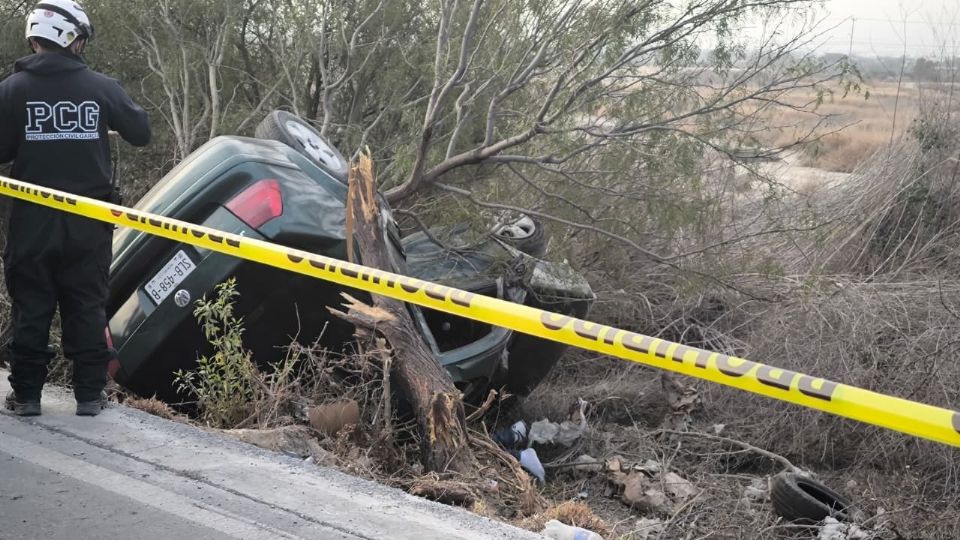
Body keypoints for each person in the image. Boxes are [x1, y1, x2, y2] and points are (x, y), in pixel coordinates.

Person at [0, 0, 151, 417]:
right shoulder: (101, 87)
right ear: (73, 39)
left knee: (31, 304)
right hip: (89, 219)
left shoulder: (11, 91)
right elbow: (141, 132)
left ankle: (27, 396)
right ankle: (88, 395)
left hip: (32, 220)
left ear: (34, 38)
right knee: (86, 304)